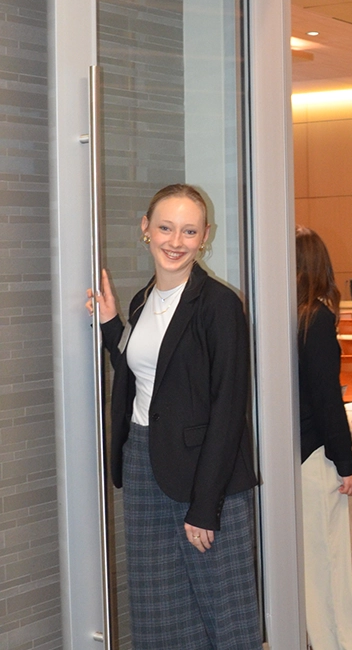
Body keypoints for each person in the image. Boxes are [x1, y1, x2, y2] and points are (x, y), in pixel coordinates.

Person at [87, 184, 261, 648]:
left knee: (224, 613)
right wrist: (110, 326)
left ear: (205, 237)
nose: (175, 241)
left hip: (207, 476)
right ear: (146, 229)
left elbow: (229, 411)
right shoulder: (145, 300)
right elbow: (144, 373)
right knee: (158, 610)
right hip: (145, 466)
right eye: (165, 227)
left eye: (189, 231)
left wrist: (206, 505)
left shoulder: (220, 306)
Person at [295, 226, 352, 650]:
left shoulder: (274, 313)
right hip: (315, 456)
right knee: (329, 562)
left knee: (308, 562)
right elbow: (327, 399)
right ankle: (339, 644)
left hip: (289, 453)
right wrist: (346, 463)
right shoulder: (316, 318)